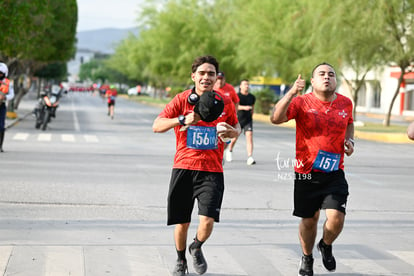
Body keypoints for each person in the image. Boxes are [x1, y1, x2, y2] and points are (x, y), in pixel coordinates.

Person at [152, 55, 240, 276]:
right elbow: (157, 125)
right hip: (184, 167)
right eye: (202, 73)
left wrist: (233, 132)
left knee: (208, 221)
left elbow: (236, 126)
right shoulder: (182, 100)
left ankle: (196, 246)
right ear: (193, 76)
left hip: (212, 170)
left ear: (216, 78)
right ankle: (181, 259)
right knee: (181, 222)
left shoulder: (225, 102)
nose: (206, 77)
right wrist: (182, 120)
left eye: (211, 73)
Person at [270, 62, 354, 276]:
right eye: (322, 74)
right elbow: (276, 118)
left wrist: (350, 140)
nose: (327, 77)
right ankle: (307, 258)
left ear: (336, 80)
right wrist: (291, 92)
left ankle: (325, 244)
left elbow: (350, 123)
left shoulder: (345, 103)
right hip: (306, 172)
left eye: (331, 74)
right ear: (313, 81)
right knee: (309, 220)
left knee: (336, 218)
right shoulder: (301, 102)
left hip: (335, 171)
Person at [226, 79, 256, 165]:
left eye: (247, 84)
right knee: (235, 138)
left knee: (249, 136)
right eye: (245, 84)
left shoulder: (252, 97)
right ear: (240, 86)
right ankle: (230, 150)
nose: (246, 86)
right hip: (238, 120)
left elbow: (252, 108)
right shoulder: (237, 96)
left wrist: (251, 116)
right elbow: (234, 107)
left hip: (248, 120)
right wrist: (244, 107)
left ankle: (250, 157)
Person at [0, 62, 14, 152]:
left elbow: (12, 95)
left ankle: (0, 146)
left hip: (1, 106)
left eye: (0, 73)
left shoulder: (8, 83)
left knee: (1, 126)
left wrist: (4, 97)